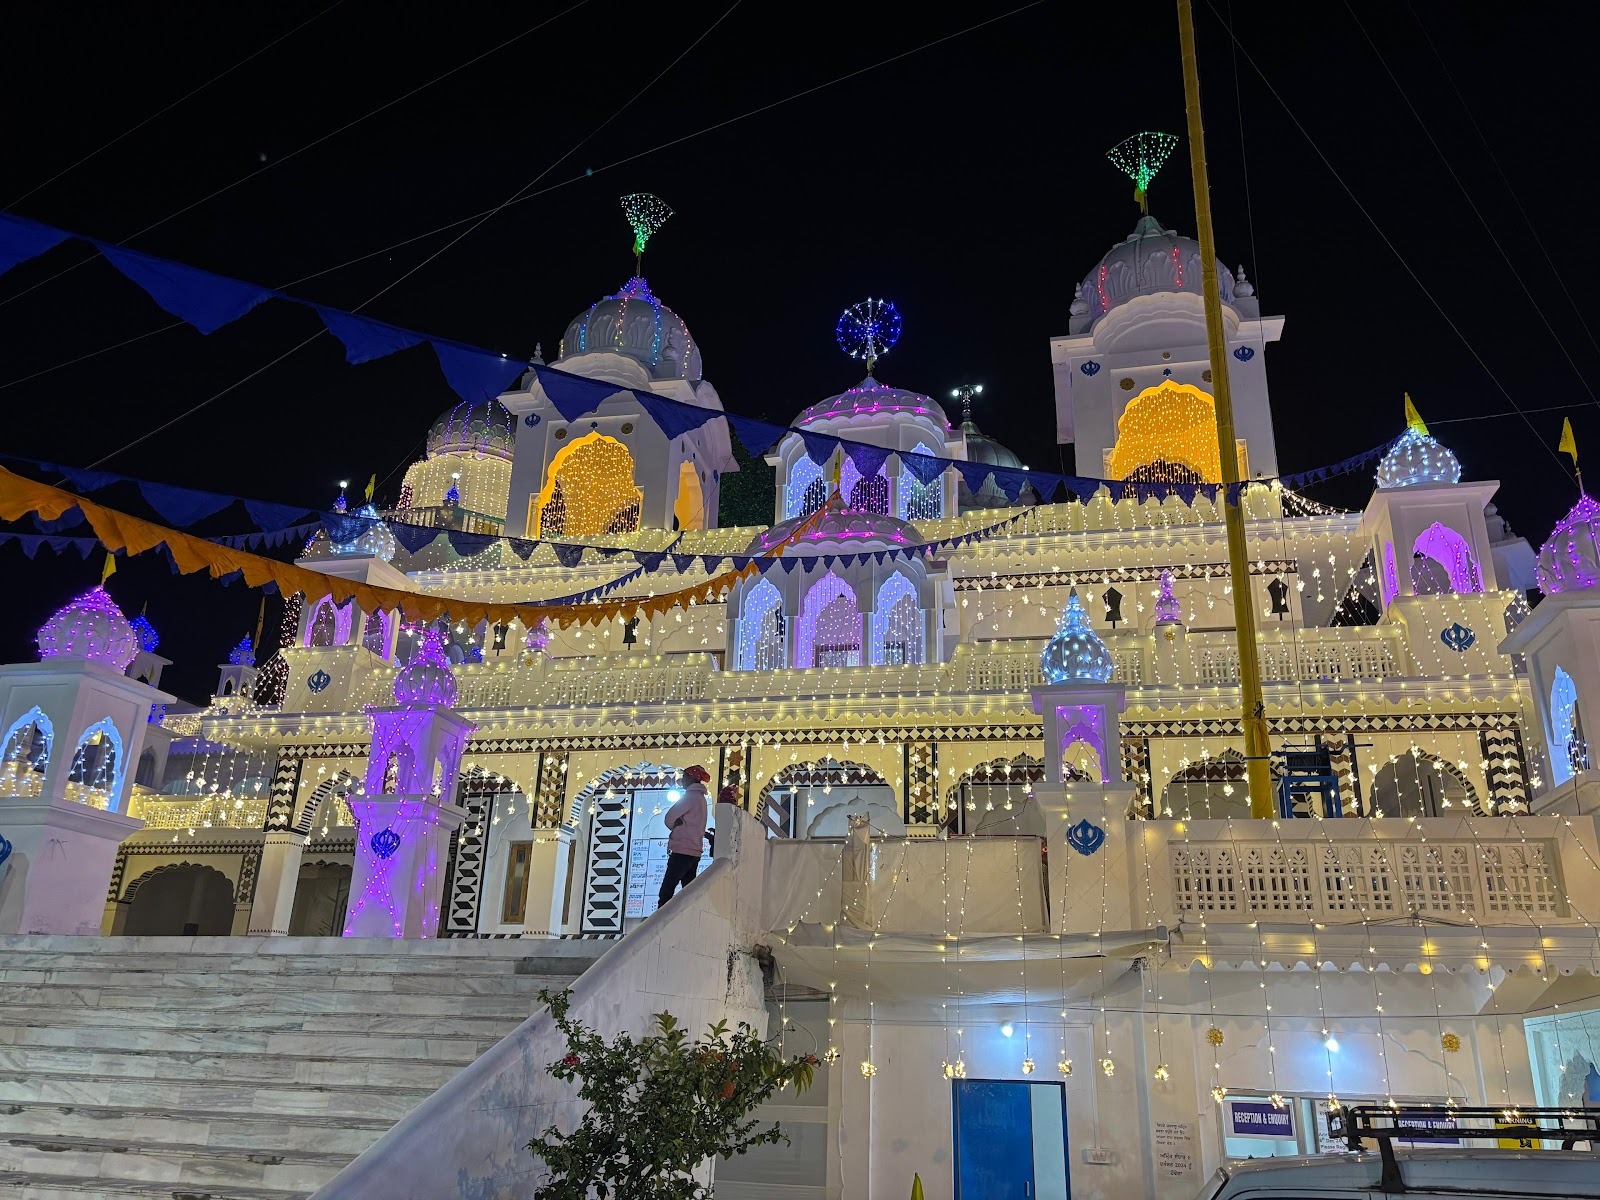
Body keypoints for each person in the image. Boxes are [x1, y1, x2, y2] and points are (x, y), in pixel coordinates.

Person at [657, 765, 711, 908]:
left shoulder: (690, 797)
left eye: (684, 776)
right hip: (695, 851)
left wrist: (676, 825)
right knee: (688, 891)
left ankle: (661, 922)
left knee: (667, 891)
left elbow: (669, 818)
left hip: (682, 850)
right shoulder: (701, 799)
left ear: (691, 778)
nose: (682, 780)